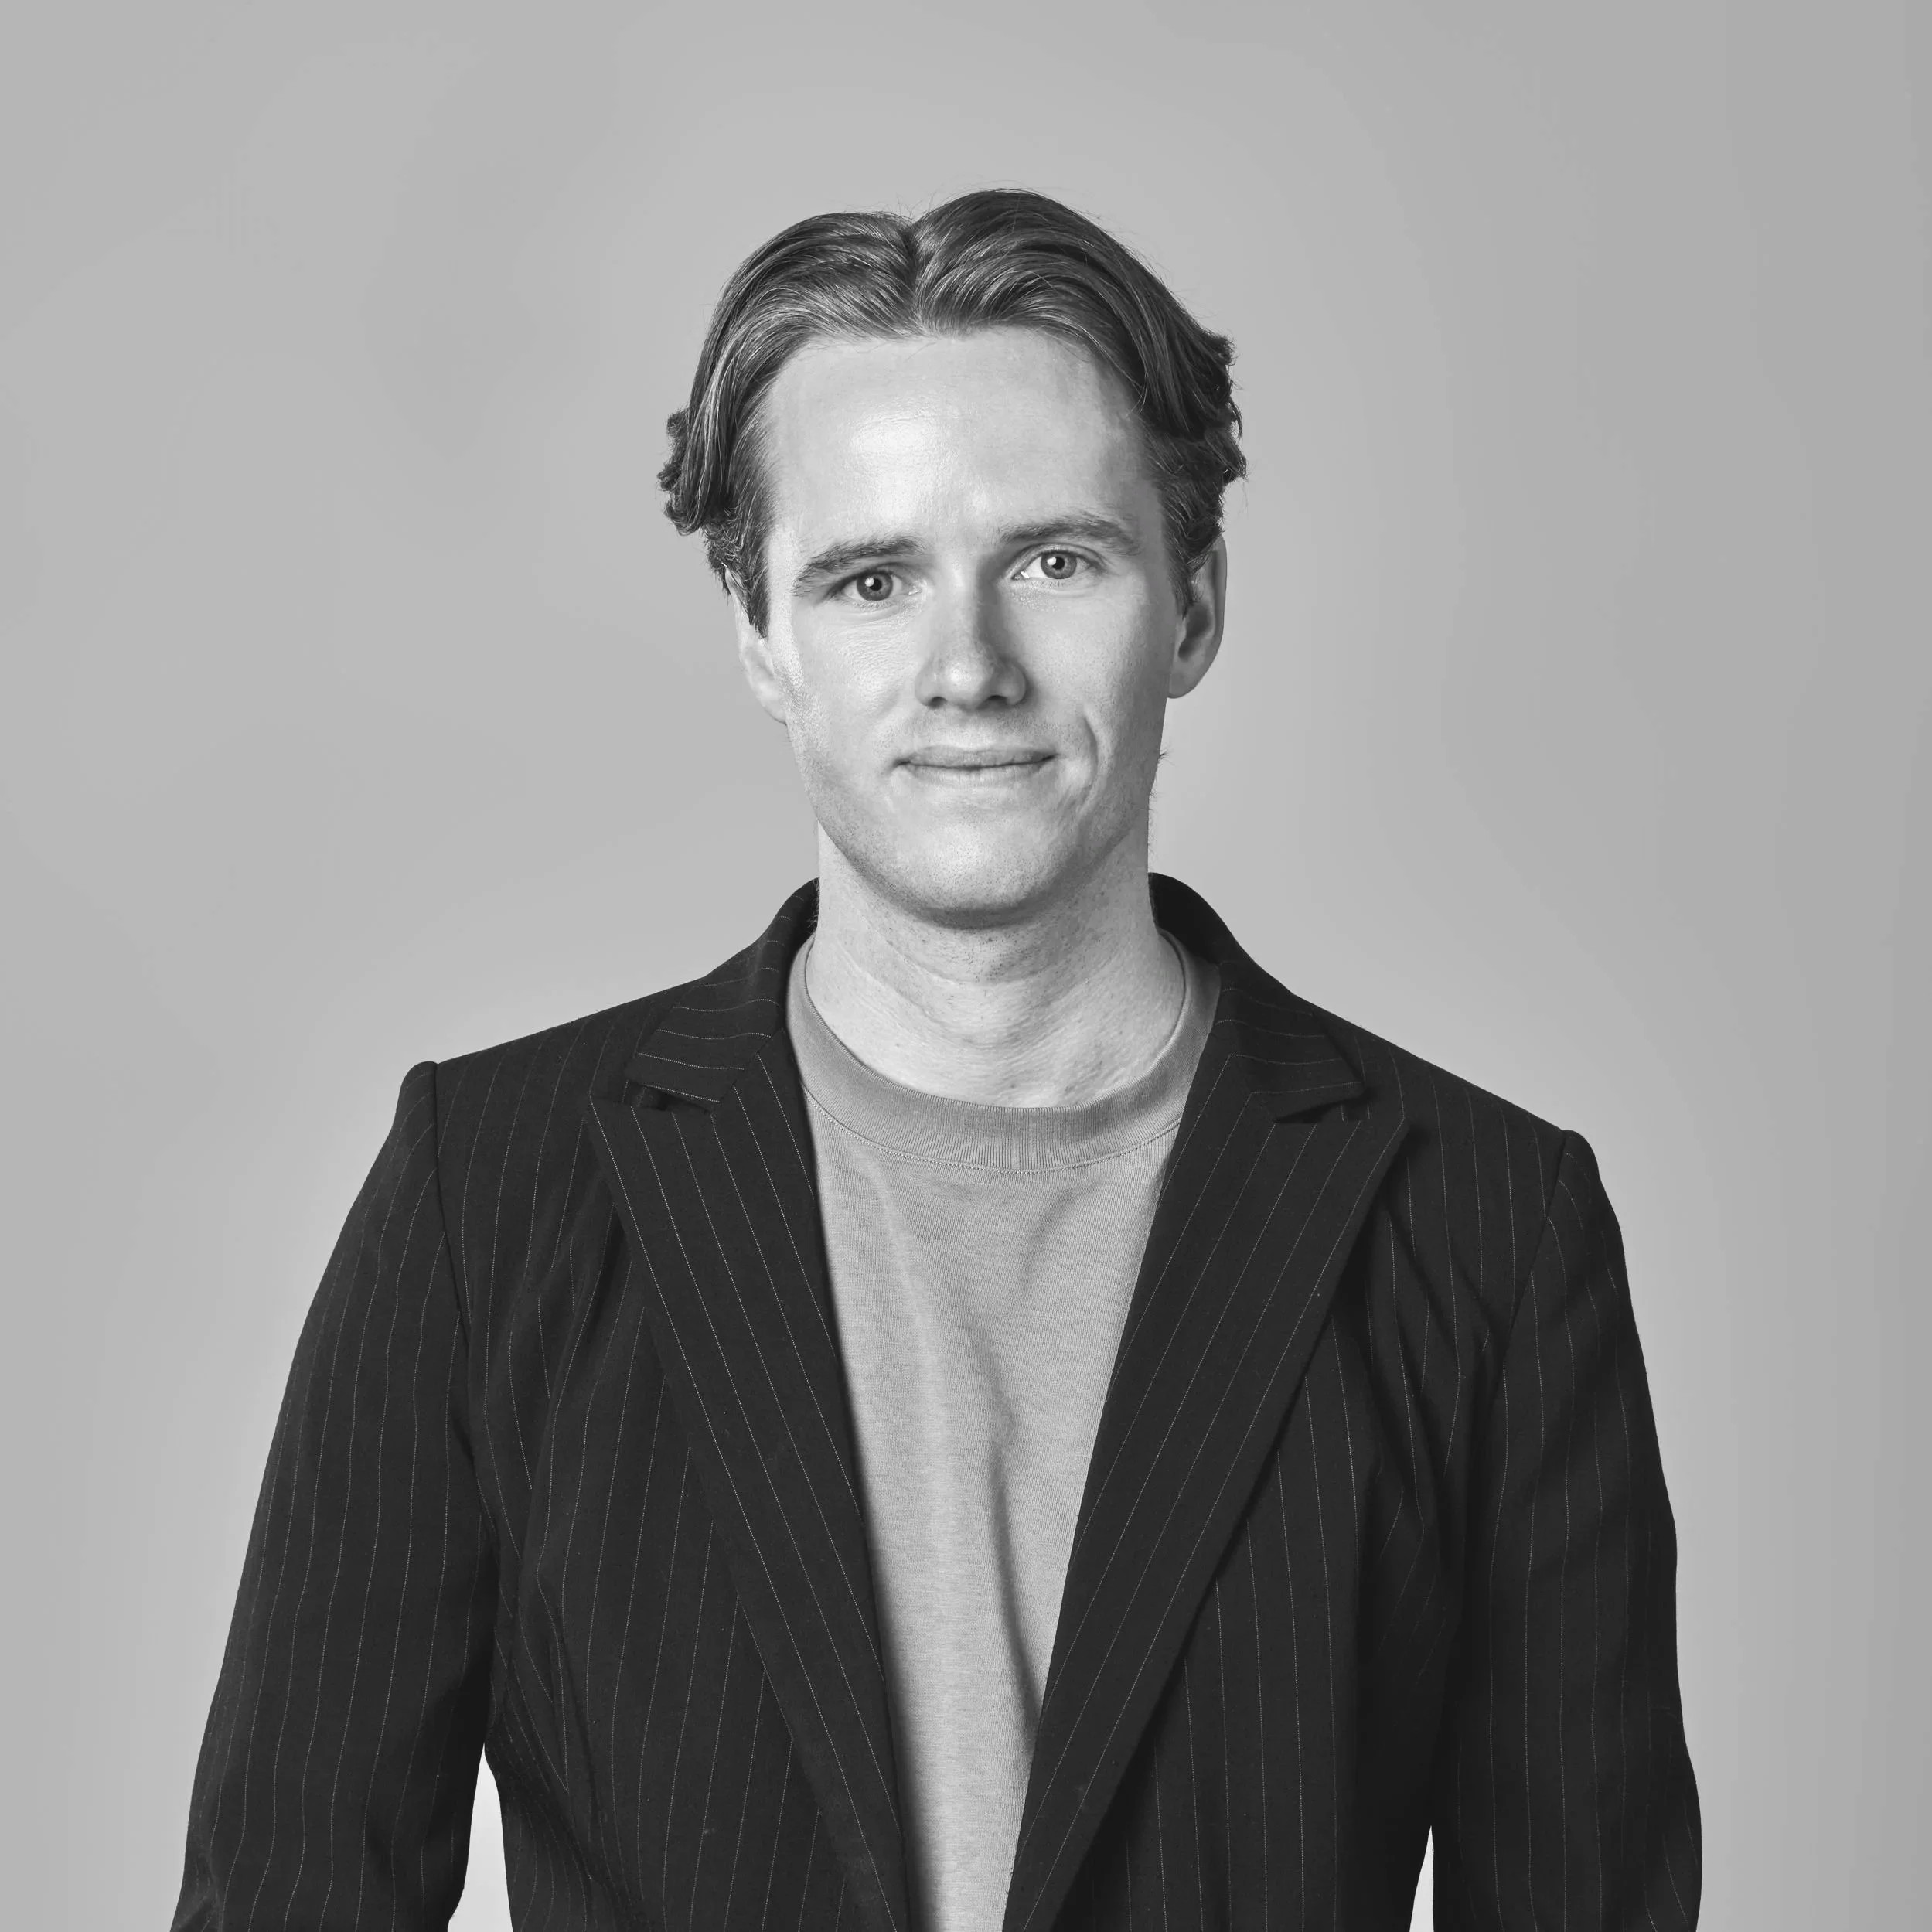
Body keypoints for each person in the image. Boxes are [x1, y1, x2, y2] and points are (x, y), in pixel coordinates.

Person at [172, 189, 1700, 1932]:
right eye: (872, 579)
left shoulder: (1490, 1227)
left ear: (1193, 604)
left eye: (1055, 561)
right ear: (762, 634)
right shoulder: (487, 1195)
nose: (967, 667)